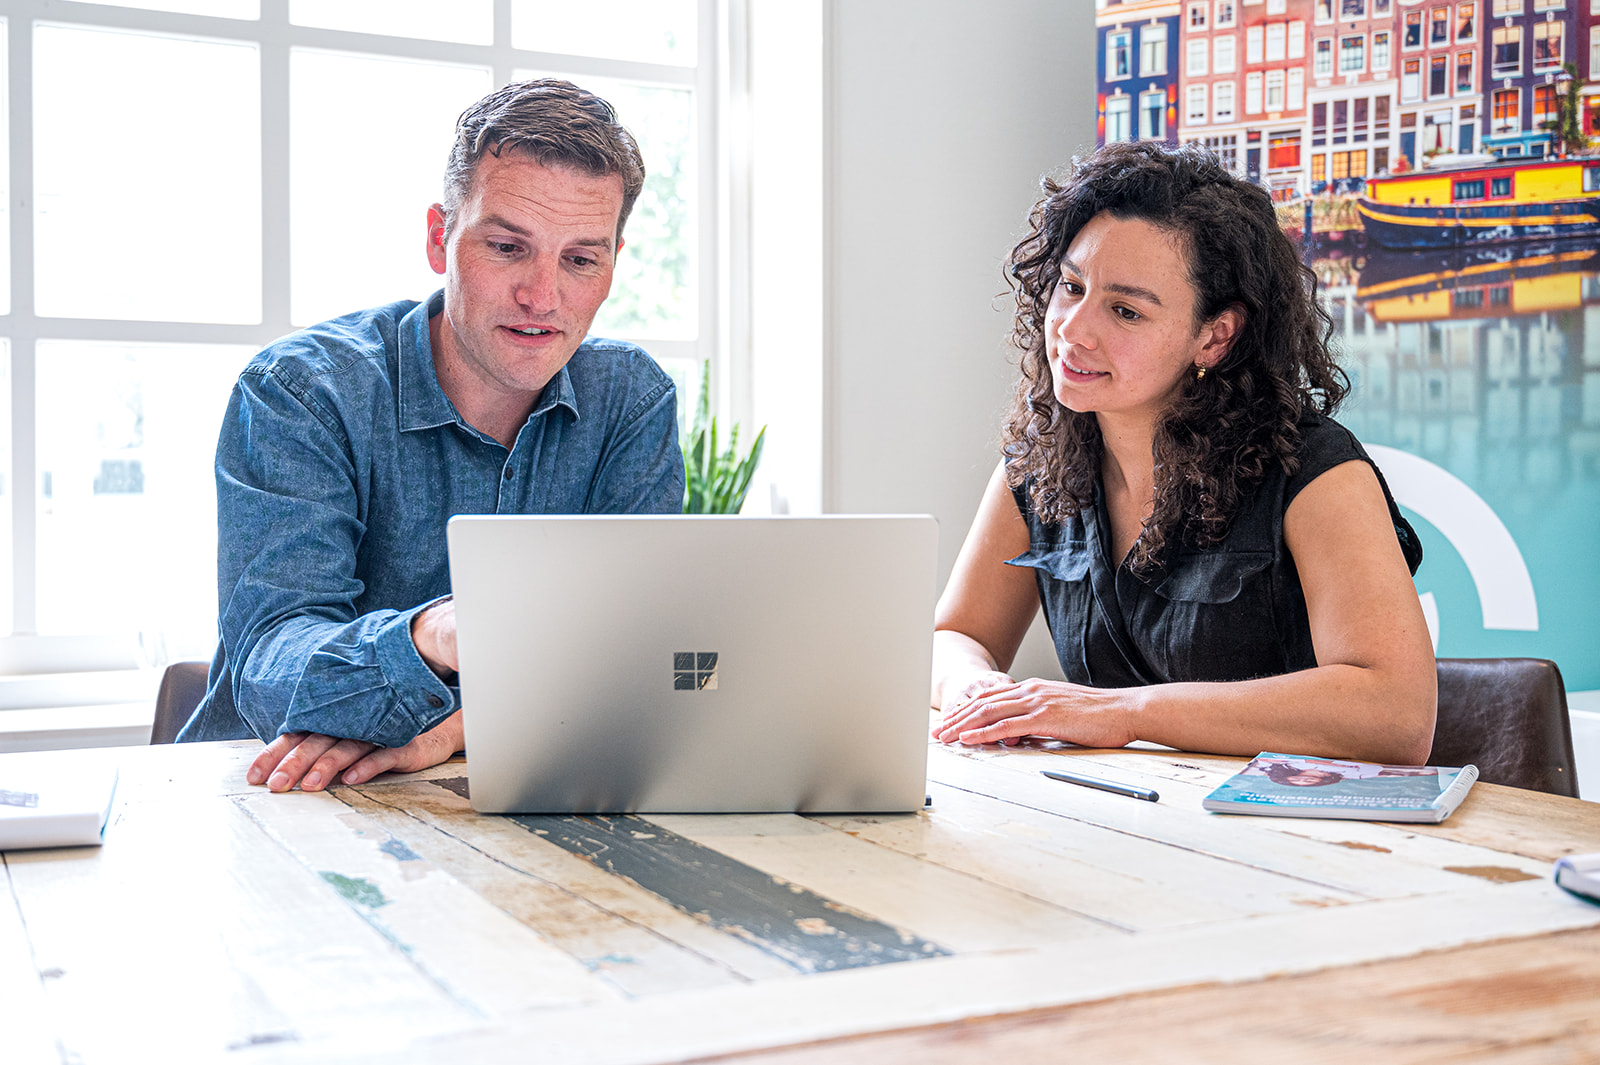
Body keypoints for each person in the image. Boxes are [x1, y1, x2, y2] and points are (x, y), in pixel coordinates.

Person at [178, 79, 685, 793]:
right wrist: (435, 635)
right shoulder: (302, 392)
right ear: (439, 236)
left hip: (497, 797)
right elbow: (271, 667)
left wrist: (459, 729)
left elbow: (637, 661)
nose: (543, 297)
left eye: (580, 258)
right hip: (274, 795)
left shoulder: (632, 400)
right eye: (509, 246)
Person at [930, 142, 1436, 765]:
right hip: (1123, 830)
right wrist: (973, 687)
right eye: (1071, 285)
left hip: (1295, 839)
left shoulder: (1314, 470)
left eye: (1125, 310)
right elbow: (955, 635)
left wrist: (1125, 715)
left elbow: (1396, 715)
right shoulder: (1039, 461)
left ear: (1214, 336)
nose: (1071, 328)